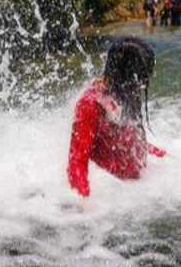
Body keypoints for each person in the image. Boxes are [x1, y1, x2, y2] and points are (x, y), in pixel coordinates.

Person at [68, 37, 166, 197]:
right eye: (141, 77)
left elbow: (127, 139)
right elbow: (77, 161)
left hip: (138, 188)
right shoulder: (90, 104)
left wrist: (164, 156)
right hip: (119, 195)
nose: (142, 83)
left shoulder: (120, 96)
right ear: (127, 75)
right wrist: (85, 204)